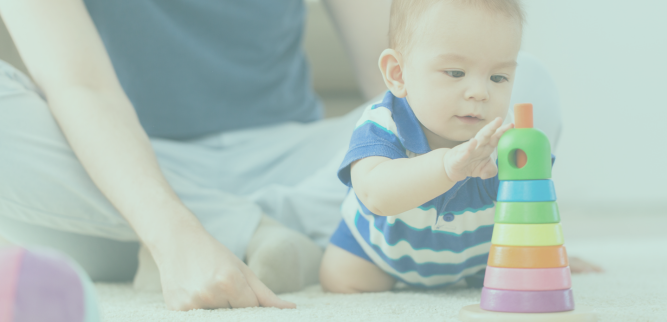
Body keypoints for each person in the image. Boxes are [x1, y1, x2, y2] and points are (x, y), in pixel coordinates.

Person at [0, 0, 582, 311]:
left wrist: (490, 219)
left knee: (527, 84)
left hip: (295, 163)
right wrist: (173, 234)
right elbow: (81, 87)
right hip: (120, 178)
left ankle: (252, 240)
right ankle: (240, 233)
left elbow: (403, 56)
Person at [319, 0, 601, 293]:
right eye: (455, 73)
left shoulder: (506, 139)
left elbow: (529, 205)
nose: (480, 92)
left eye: (498, 77)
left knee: (516, 280)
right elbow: (374, 193)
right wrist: (445, 166)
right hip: (380, 250)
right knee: (340, 277)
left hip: (478, 258)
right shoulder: (384, 122)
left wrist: (542, 253)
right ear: (398, 74)